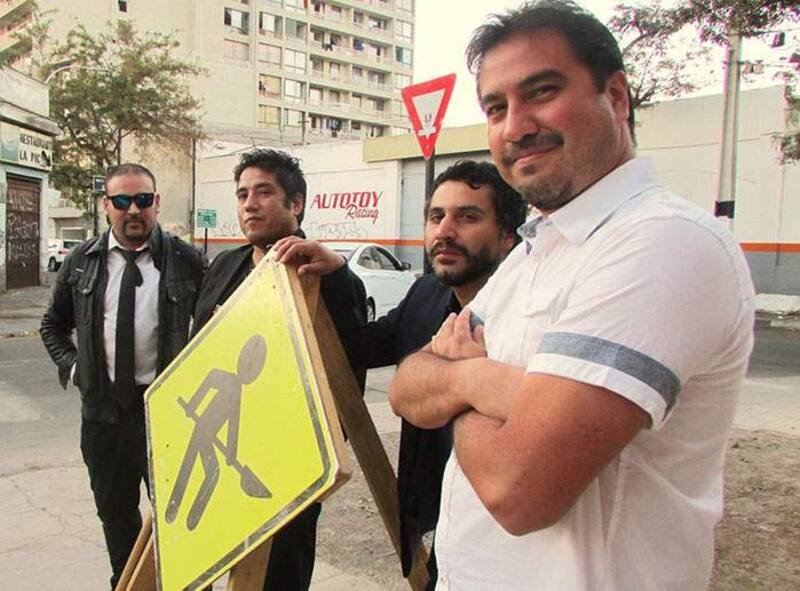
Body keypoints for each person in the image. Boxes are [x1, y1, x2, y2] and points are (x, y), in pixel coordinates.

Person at [388, 2, 756, 590]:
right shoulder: (535, 250)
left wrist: (458, 378)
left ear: (616, 97)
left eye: (542, 91)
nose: (516, 127)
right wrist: (486, 383)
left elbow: (518, 491)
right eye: (496, 108)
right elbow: (407, 389)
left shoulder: (661, 242)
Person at [273, 159, 528, 587]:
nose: (445, 231)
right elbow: (362, 346)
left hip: (504, 538)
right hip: (436, 524)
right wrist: (337, 275)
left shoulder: (528, 318)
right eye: (436, 216)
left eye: (467, 217)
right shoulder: (427, 293)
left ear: (507, 236)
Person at [191, 148, 367, 591]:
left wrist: (338, 275)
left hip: (287, 467)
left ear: (297, 203)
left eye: (264, 192)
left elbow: (349, 373)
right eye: (242, 194)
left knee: (279, 578)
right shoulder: (224, 266)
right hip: (219, 451)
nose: (250, 204)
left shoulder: (325, 272)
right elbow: (196, 354)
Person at [40, 163, 206, 589]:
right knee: (116, 519)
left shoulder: (187, 261)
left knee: (181, 521)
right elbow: (53, 325)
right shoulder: (82, 262)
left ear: (157, 203)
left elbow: (216, 325)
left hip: (168, 418)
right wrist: (76, 369)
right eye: (122, 200)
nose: (133, 209)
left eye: (143, 200)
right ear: (106, 205)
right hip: (104, 419)